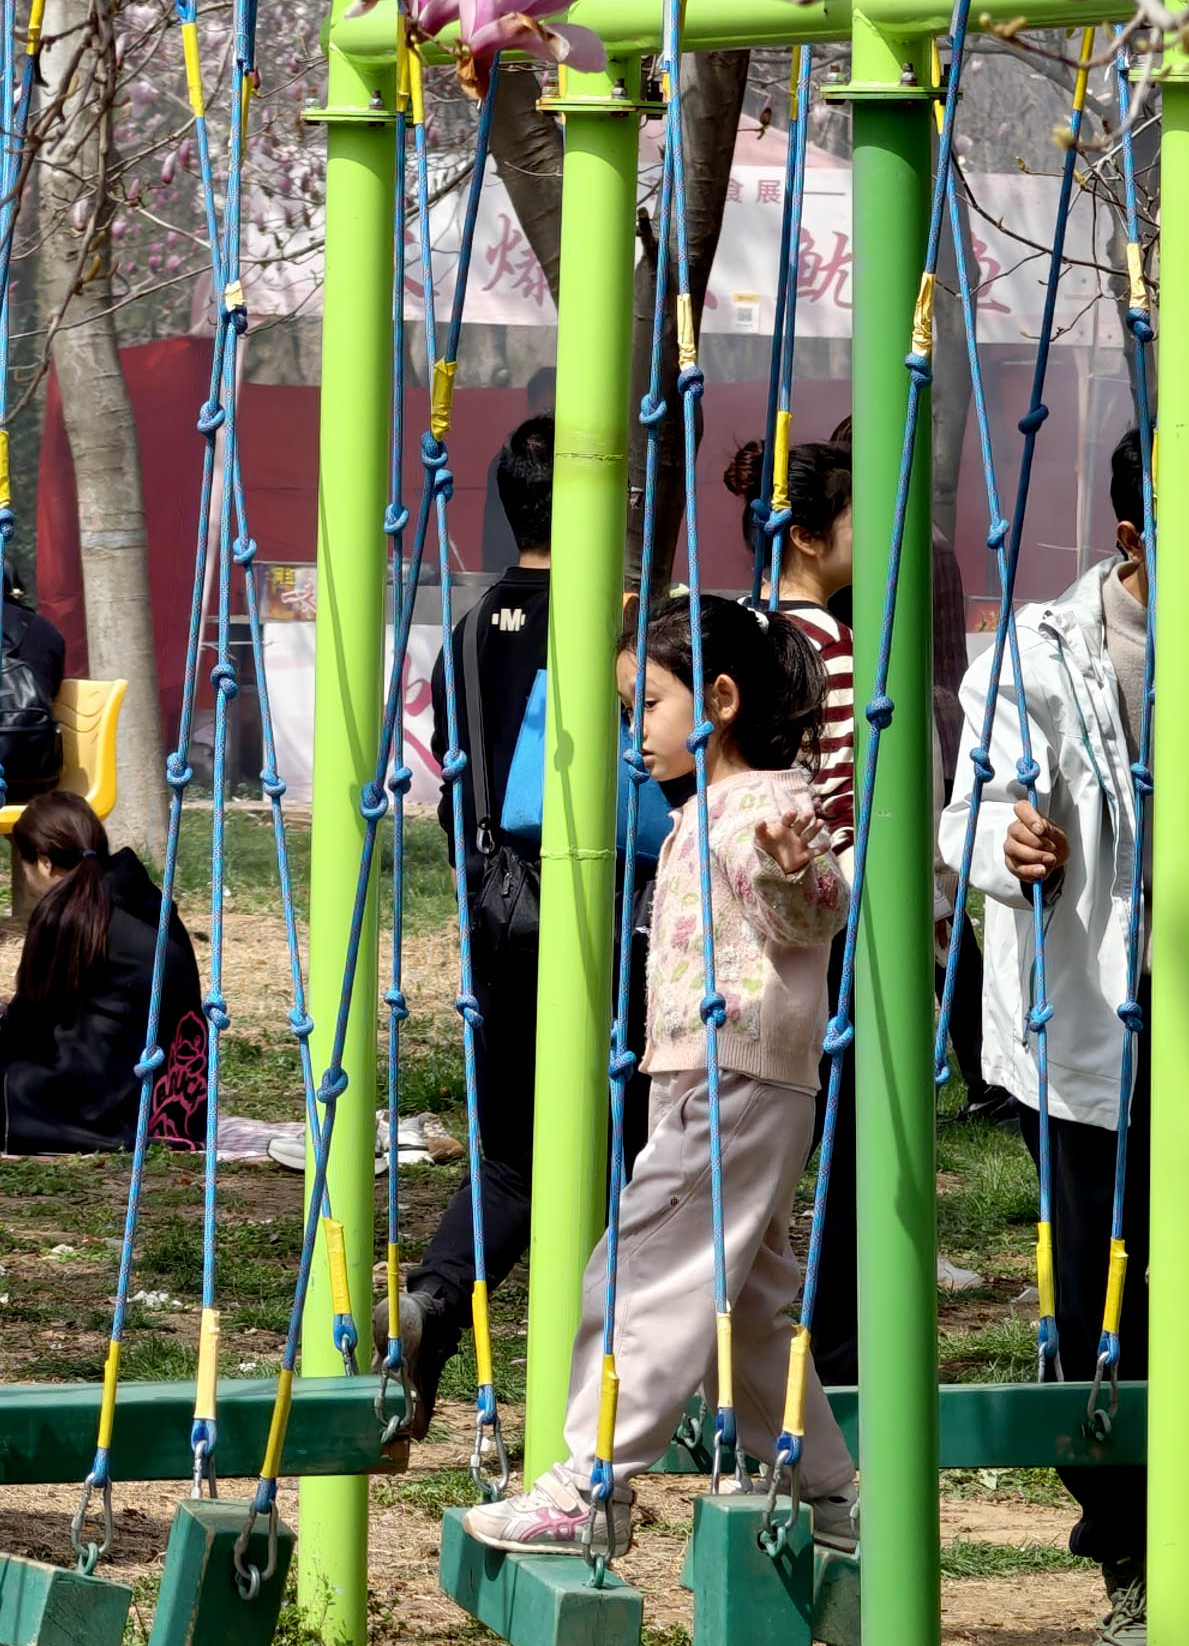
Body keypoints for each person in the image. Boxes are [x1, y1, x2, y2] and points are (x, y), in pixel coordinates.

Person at [937, 427, 1189, 1641]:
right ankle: (1129, 1555)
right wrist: (1006, 840)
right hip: (1097, 1027)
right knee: (1105, 1300)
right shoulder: (1043, 653)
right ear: (1132, 537)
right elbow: (964, 815)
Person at [460, 595, 854, 1557]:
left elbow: (816, 908)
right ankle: (830, 1495)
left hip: (737, 1081)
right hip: (711, 1079)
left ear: (719, 701)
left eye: (647, 705)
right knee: (746, 1305)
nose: (634, 728)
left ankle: (593, 1482)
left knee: (639, 1269)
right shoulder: (705, 809)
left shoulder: (764, 809)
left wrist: (794, 872)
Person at [389, 417, 553, 1436]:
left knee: (509, 1154)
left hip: (498, 916)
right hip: (599, 921)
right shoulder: (617, 624)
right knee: (635, 1152)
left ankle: (437, 1301)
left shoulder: (470, 624)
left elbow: (453, 777)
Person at [0, 789, 212, 1155]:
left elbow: (26, 1034)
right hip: (175, 1102)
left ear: (44, 862)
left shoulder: (70, 912)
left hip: (92, 1108)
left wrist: (5, 1023)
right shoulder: (146, 899)